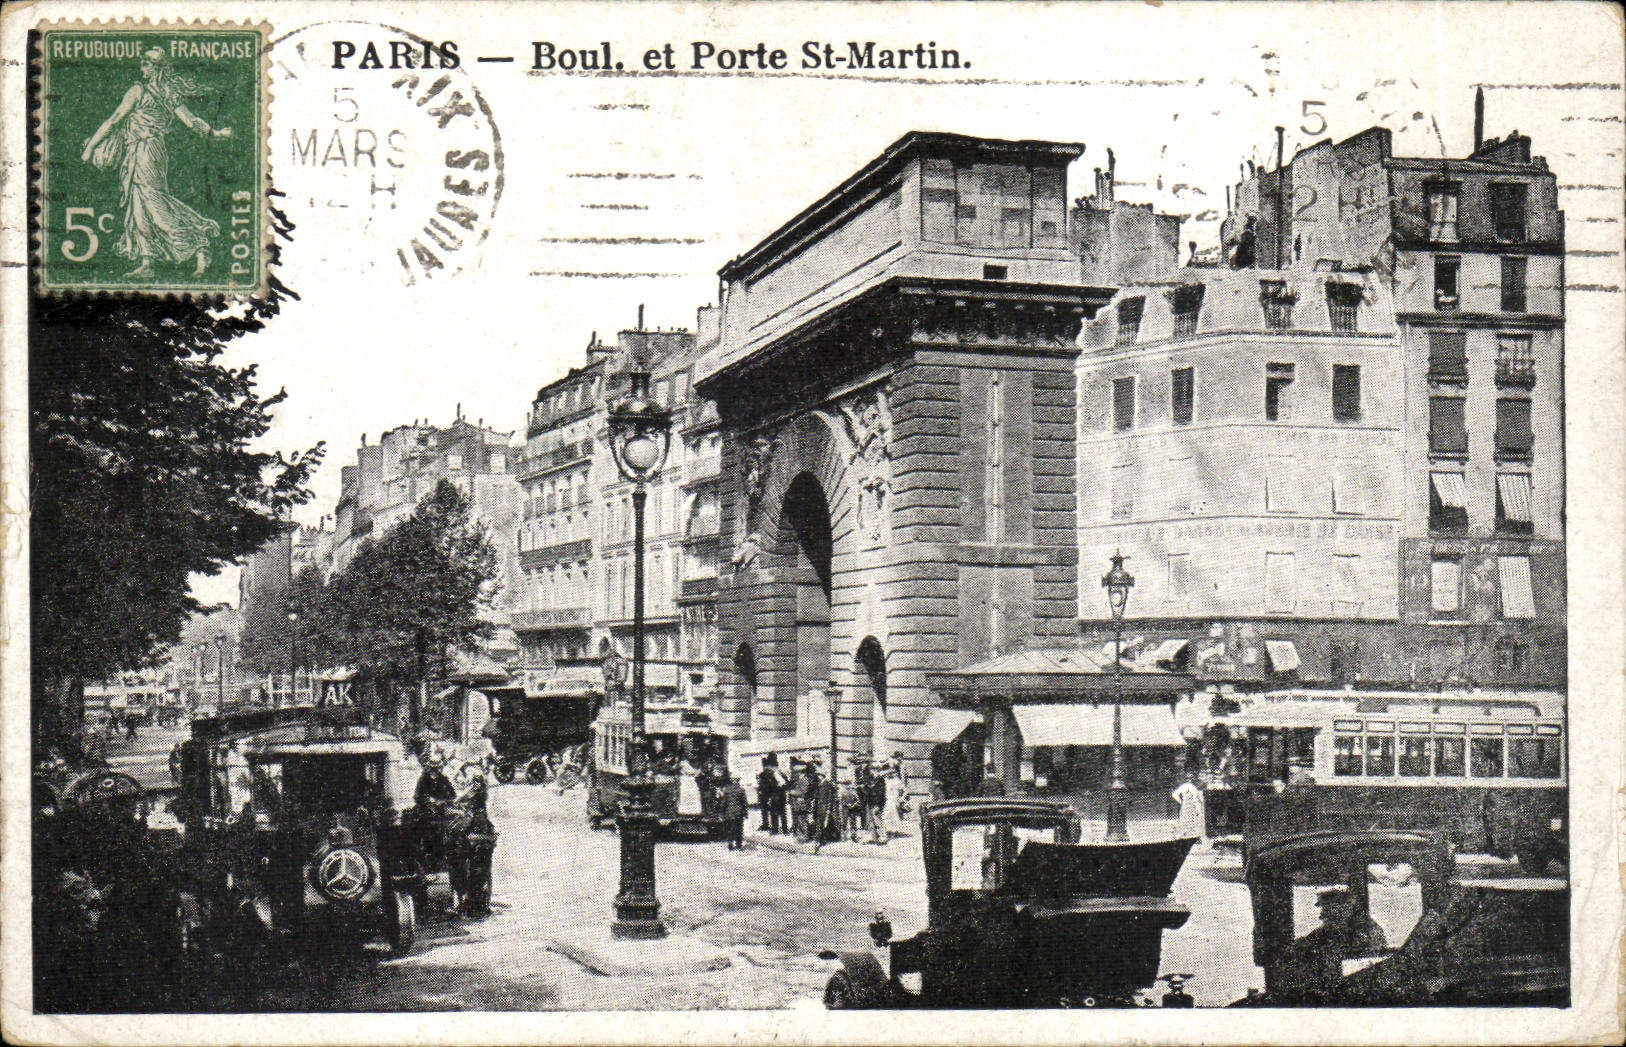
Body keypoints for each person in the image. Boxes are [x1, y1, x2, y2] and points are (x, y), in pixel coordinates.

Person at [79, 48, 232, 279]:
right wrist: (215, 133)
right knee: (139, 205)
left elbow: (113, 120)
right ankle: (147, 261)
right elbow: (191, 121)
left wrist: (91, 147)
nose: (142, 67)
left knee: (154, 204)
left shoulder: (138, 91)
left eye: (145, 63)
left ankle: (200, 244)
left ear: (155, 66)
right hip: (143, 151)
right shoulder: (168, 92)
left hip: (146, 151)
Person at [1272, 886, 1388, 1001]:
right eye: (1324, 910)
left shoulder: (1366, 930)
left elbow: (1364, 958)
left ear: (1342, 909)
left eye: (1326, 910)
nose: (1321, 916)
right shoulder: (1327, 930)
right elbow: (1306, 943)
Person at [1171, 772, 1206, 842]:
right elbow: (1197, 799)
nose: (1190, 780)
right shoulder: (1193, 787)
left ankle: (1182, 836)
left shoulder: (1183, 786)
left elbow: (1174, 795)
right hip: (1192, 806)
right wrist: (1199, 808)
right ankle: (1196, 837)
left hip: (1185, 806)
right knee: (1195, 822)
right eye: (1189, 778)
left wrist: (1181, 802)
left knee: (1184, 821)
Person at [756, 756, 787, 834]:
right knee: (782, 812)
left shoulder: (767, 774)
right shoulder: (780, 773)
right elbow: (786, 782)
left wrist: (767, 795)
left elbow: (767, 785)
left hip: (773, 795)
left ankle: (775, 830)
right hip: (781, 794)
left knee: (774, 813)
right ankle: (784, 829)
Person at [719, 773, 748, 850]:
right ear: (738, 781)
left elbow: (724, 802)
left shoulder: (727, 790)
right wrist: (746, 813)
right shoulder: (741, 790)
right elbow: (744, 803)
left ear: (731, 780)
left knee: (730, 828)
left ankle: (730, 844)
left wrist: (721, 812)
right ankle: (739, 845)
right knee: (739, 828)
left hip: (729, 812)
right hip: (739, 812)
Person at [788, 759, 813, 841]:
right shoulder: (798, 779)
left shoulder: (805, 780)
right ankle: (800, 836)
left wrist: (792, 792)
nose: (796, 773)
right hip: (797, 804)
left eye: (797, 772)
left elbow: (803, 792)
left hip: (802, 803)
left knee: (803, 820)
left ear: (801, 772)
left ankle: (806, 836)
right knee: (799, 820)